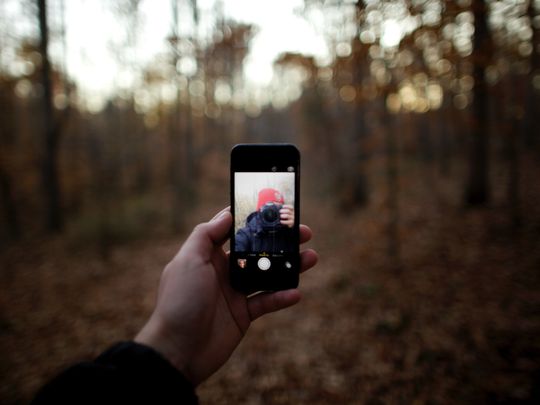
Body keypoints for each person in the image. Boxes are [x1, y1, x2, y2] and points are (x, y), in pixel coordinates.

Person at [32, 207, 318, 404]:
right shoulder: (248, 226)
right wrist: (170, 350)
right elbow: (242, 240)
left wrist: (280, 231)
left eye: (273, 211)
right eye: (266, 211)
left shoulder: (281, 225)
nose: (269, 215)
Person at [235, 188, 295, 253]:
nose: (272, 214)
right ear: (259, 211)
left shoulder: (287, 231)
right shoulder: (245, 234)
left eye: (277, 209)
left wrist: (294, 229)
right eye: (269, 209)